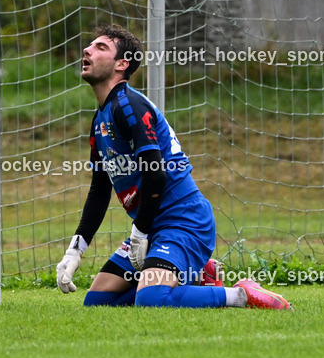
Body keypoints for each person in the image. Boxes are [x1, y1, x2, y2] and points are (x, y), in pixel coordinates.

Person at [56, 24, 292, 311]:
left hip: (184, 222)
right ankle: (200, 276)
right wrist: (75, 250)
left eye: (100, 47)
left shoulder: (129, 106)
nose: (87, 50)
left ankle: (241, 296)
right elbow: (99, 189)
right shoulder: (100, 119)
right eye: (90, 45)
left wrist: (140, 233)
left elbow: (156, 174)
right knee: (99, 301)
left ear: (122, 64)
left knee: (152, 299)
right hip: (152, 224)